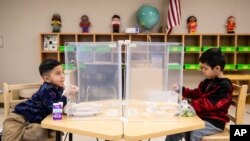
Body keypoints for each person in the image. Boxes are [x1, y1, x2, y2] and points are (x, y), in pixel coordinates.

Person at [166, 48, 233, 141]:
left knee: (195, 133)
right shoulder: (207, 81)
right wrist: (181, 90)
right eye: (202, 68)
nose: (203, 71)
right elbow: (196, 93)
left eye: (206, 68)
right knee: (175, 128)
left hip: (214, 122)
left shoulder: (224, 86)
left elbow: (208, 104)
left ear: (217, 68)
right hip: (201, 117)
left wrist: (188, 102)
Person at [1, 59, 78, 141]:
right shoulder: (46, 89)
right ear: (47, 79)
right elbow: (56, 112)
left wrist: (67, 95)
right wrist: (66, 95)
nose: (62, 76)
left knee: (40, 133)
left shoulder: (59, 88)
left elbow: (58, 108)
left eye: (63, 72)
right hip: (19, 118)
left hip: (35, 121)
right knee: (10, 138)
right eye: (58, 73)